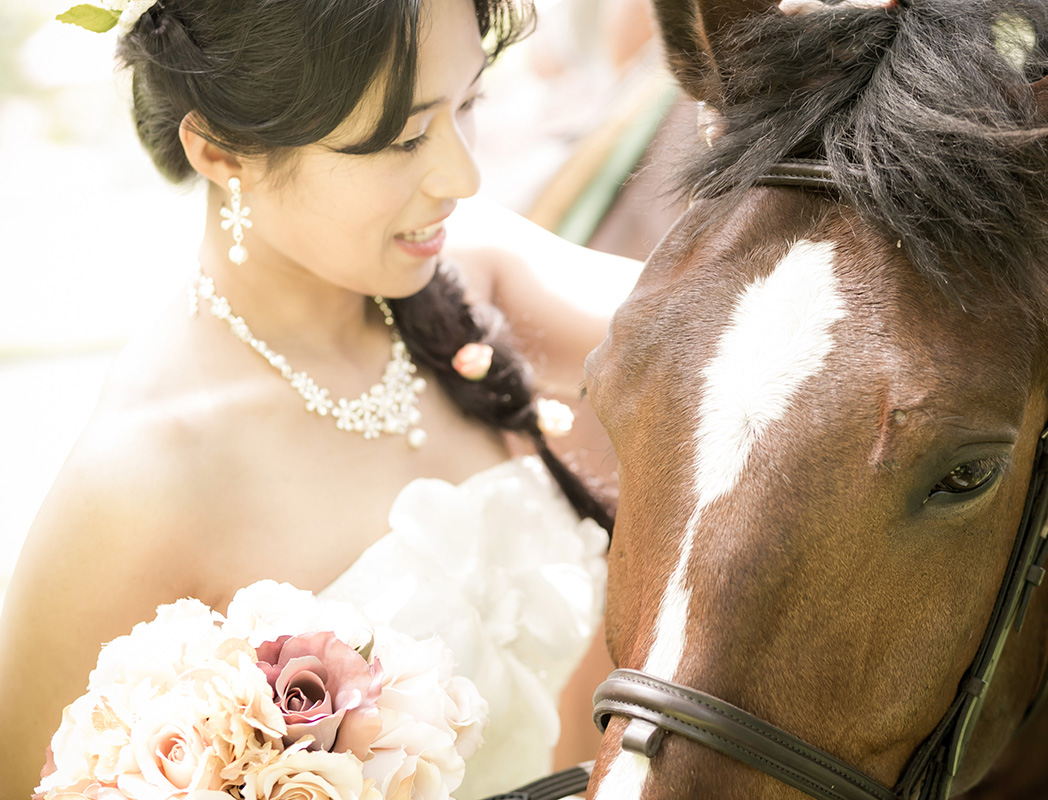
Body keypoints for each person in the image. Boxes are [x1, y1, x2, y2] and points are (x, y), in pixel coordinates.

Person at [0, 0, 637, 796]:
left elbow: (763, 321)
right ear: (221, 150)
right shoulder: (143, 482)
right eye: (402, 138)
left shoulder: (479, 275)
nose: (463, 177)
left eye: (469, 103)